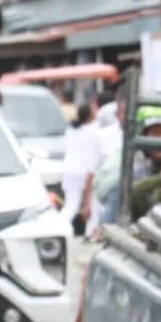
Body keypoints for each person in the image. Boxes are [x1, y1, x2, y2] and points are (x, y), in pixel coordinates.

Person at [60, 101, 103, 235]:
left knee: (70, 206)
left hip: (69, 170)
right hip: (86, 171)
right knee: (92, 205)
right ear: (91, 115)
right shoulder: (95, 132)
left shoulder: (71, 130)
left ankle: (58, 228)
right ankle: (90, 233)